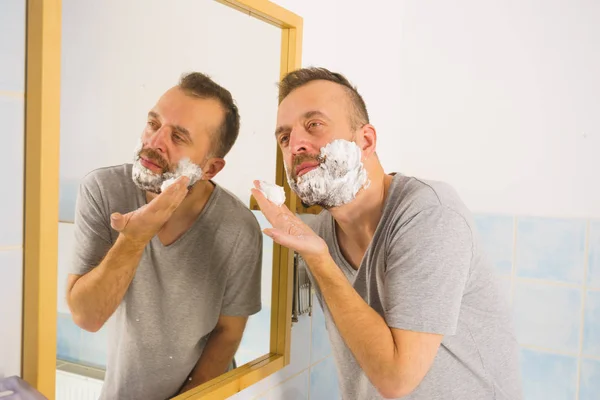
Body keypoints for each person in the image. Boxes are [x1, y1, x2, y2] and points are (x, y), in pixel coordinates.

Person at [251, 67, 522, 399]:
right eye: (284, 137)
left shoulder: (430, 213)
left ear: (365, 141)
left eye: (314, 125)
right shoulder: (320, 232)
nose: (296, 145)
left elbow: (396, 380)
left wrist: (319, 260)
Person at [66, 72, 263, 400]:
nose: (154, 142)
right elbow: (87, 316)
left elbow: (228, 333)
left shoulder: (237, 227)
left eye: (178, 137)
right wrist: (134, 239)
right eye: (153, 123)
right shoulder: (104, 191)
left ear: (210, 169)